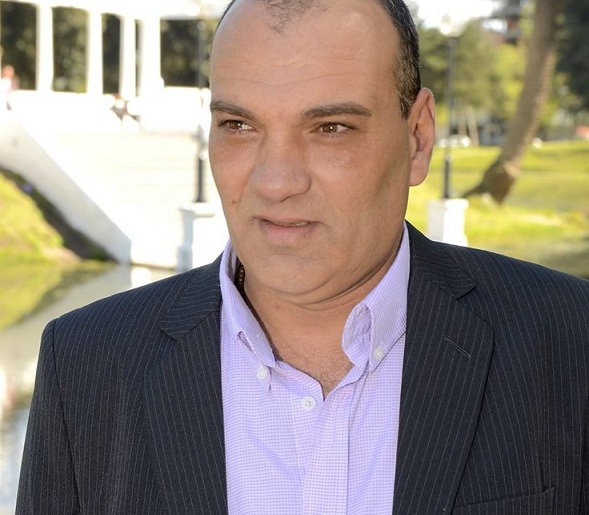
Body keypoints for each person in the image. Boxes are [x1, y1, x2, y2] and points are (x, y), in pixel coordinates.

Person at [16, 0, 589, 513]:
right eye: (239, 125)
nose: (276, 182)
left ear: (417, 138)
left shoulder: (570, 338)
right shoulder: (88, 365)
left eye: (330, 128)